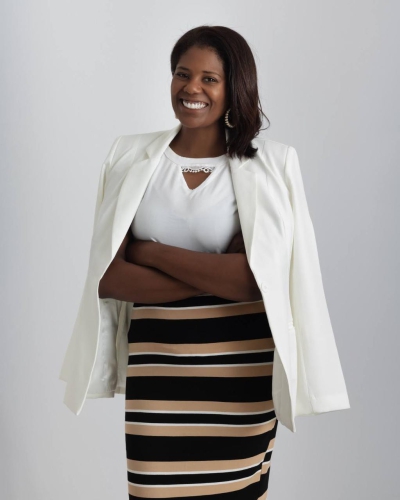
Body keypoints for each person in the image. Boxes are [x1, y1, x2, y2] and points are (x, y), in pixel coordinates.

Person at [60, 25, 350, 499]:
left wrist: (148, 252)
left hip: (242, 371)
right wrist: (219, 273)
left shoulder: (273, 164)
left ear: (234, 86)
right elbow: (109, 277)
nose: (191, 88)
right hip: (157, 367)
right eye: (182, 74)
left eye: (209, 79)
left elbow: (256, 282)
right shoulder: (129, 156)